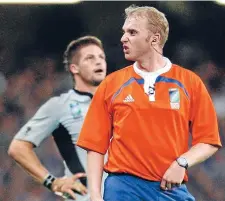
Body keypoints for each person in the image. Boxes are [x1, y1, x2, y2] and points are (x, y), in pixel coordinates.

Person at [76, 5, 222, 201]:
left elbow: (208, 141)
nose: (123, 38)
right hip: (123, 188)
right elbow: (95, 146)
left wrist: (182, 162)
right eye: (124, 32)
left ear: (155, 38)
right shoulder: (111, 84)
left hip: (170, 188)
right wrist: (94, 193)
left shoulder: (190, 83)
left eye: (132, 32)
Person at [8, 35, 107, 201]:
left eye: (101, 57)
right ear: (74, 68)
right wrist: (52, 182)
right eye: (90, 58)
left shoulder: (119, 101)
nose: (99, 62)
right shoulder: (60, 106)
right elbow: (18, 148)